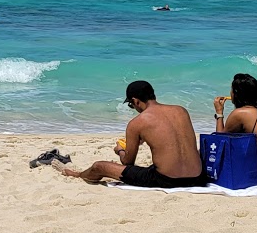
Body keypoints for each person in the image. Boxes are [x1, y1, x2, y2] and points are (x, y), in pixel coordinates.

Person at [61, 80, 208, 187]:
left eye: (131, 105)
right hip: (197, 177)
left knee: (99, 166)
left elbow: (128, 162)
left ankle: (79, 175)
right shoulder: (181, 111)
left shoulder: (137, 123)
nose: (133, 108)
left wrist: (120, 150)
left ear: (136, 101)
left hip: (167, 180)